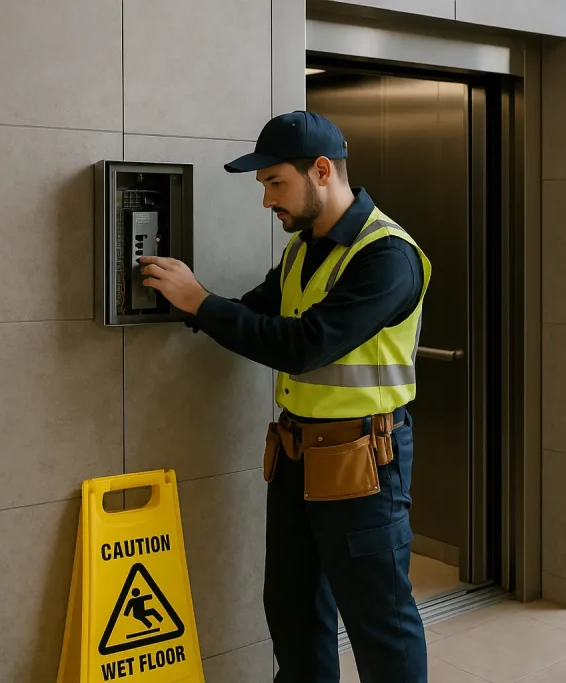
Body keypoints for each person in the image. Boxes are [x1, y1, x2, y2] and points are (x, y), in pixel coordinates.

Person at [138, 110, 430, 683]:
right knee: (293, 612)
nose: (268, 200)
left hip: (365, 463)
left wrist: (201, 302)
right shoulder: (304, 248)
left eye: (276, 183)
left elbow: (304, 345)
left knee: (379, 621)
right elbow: (255, 311)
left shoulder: (386, 257)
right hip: (296, 457)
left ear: (322, 171)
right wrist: (182, 300)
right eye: (264, 185)